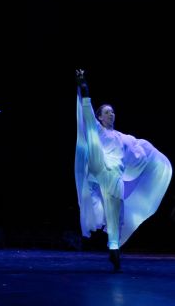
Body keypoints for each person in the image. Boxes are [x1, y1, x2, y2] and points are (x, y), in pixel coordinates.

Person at [74, 69, 172, 272]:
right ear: (100, 117)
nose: (111, 114)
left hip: (113, 177)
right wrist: (84, 88)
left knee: (116, 213)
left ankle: (114, 248)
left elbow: (140, 153)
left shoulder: (123, 138)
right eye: (107, 112)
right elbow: (89, 117)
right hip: (98, 164)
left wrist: (156, 159)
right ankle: (94, 196)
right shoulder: (98, 129)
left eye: (112, 112)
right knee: (93, 137)